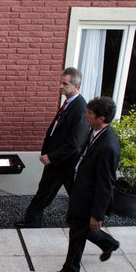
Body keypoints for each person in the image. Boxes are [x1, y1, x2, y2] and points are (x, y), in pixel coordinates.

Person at [51, 97, 121, 272]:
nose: (86, 115)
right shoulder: (95, 132)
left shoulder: (108, 146)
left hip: (88, 199)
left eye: (90, 113)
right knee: (77, 226)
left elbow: (105, 184)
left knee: (77, 234)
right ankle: (108, 243)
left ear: (101, 118)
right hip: (80, 191)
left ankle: (71, 269)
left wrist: (97, 215)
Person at [16, 67, 88, 228]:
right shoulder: (69, 104)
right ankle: (33, 220)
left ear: (76, 86)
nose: (60, 86)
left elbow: (75, 143)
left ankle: (85, 222)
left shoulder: (80, 108)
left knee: (71, 194)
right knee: (46, 191)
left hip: (65, 162)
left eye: (65, 83)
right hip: (57, 160)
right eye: (60, 82)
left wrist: (52, 156)